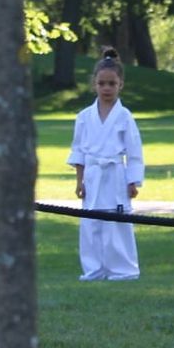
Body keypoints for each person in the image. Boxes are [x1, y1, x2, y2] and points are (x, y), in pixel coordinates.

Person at [67, 47, 144, 281]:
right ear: (94, 84)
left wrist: (133, 180)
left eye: (112, 83)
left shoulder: (124, 116)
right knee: (91, 224)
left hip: (115, 175)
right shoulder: (83, 117)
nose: (107, 88)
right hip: (92, 174)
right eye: (102, 83)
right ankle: (93, 269)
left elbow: (134, 152)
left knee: (116, 224)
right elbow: (78, 151)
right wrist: (79, 181)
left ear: (120, 84)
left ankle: (122, 269)